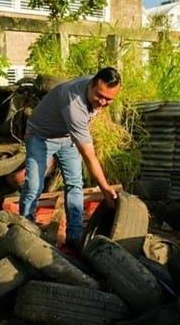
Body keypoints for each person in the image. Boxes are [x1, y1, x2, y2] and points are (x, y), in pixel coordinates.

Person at [20, 67, 122, 252]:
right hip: (41, 136)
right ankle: (25, 231)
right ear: (91, 85)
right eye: (99, 95)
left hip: (66, 137)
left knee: (75, 183)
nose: (102, 102)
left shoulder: (98, 86)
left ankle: (74, 236)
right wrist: (105, 188)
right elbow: (89, 157)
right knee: (34, 185)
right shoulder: (74, 103)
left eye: (109, 99)